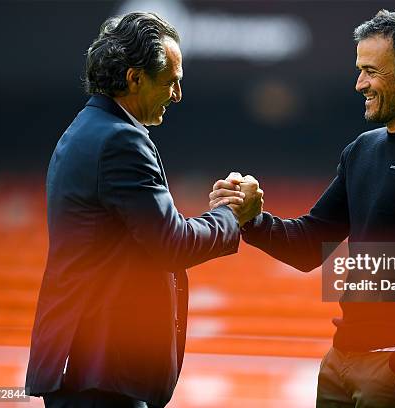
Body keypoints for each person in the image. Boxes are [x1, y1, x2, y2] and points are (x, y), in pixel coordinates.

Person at [211, 9, 395, 408]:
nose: (360, 83)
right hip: (341, 359)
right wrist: (248, 218)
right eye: (360, 70)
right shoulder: (362, 150)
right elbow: (308, 245)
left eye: (371, 71)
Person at [25, 12, 262, 408]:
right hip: (102, 374)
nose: (178, 95)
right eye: (171, 81)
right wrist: (232, 213)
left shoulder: (88, 128)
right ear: (135, 78)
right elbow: (172, 244)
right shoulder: (121, 140)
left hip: (87, 368)